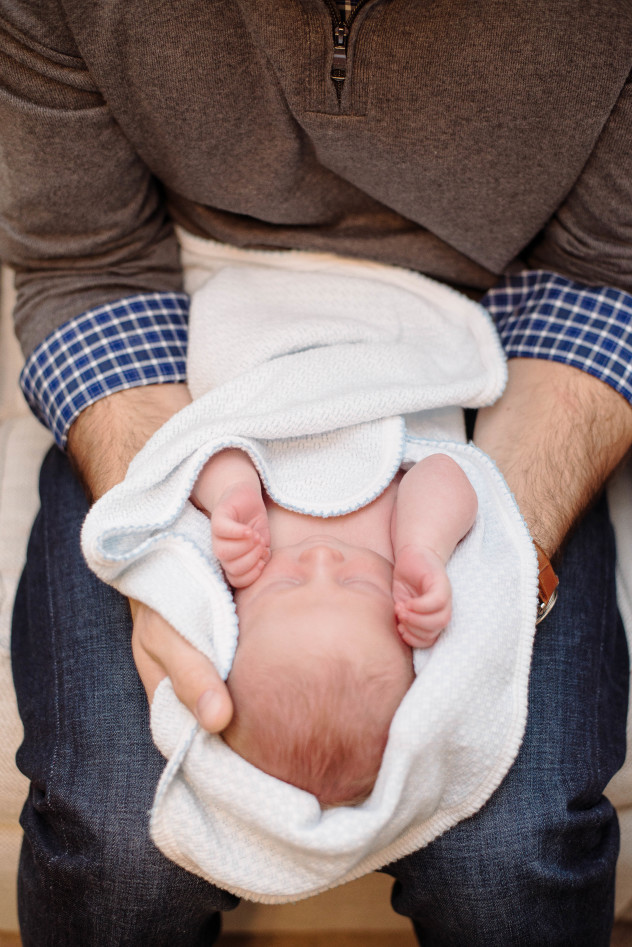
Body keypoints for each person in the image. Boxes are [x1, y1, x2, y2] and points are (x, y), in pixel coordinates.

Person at [2, 0, 631, 943]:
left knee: (513, 859)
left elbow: (608, 272)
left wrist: (218, 491)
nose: (330, 566)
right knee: (122, 852)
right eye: (346, 584)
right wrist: (420, 545)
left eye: (303, 583)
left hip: (496, 317)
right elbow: (86, 262)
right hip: (202, 314)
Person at [192, 447, 476, 805]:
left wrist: (229, 490)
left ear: (234, 613)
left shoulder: (243, 553)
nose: (321, 558)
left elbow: (196, 456)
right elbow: (443, 469)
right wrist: (425, 547)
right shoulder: (399, 557)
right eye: (356, 584)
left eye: (288, 585)